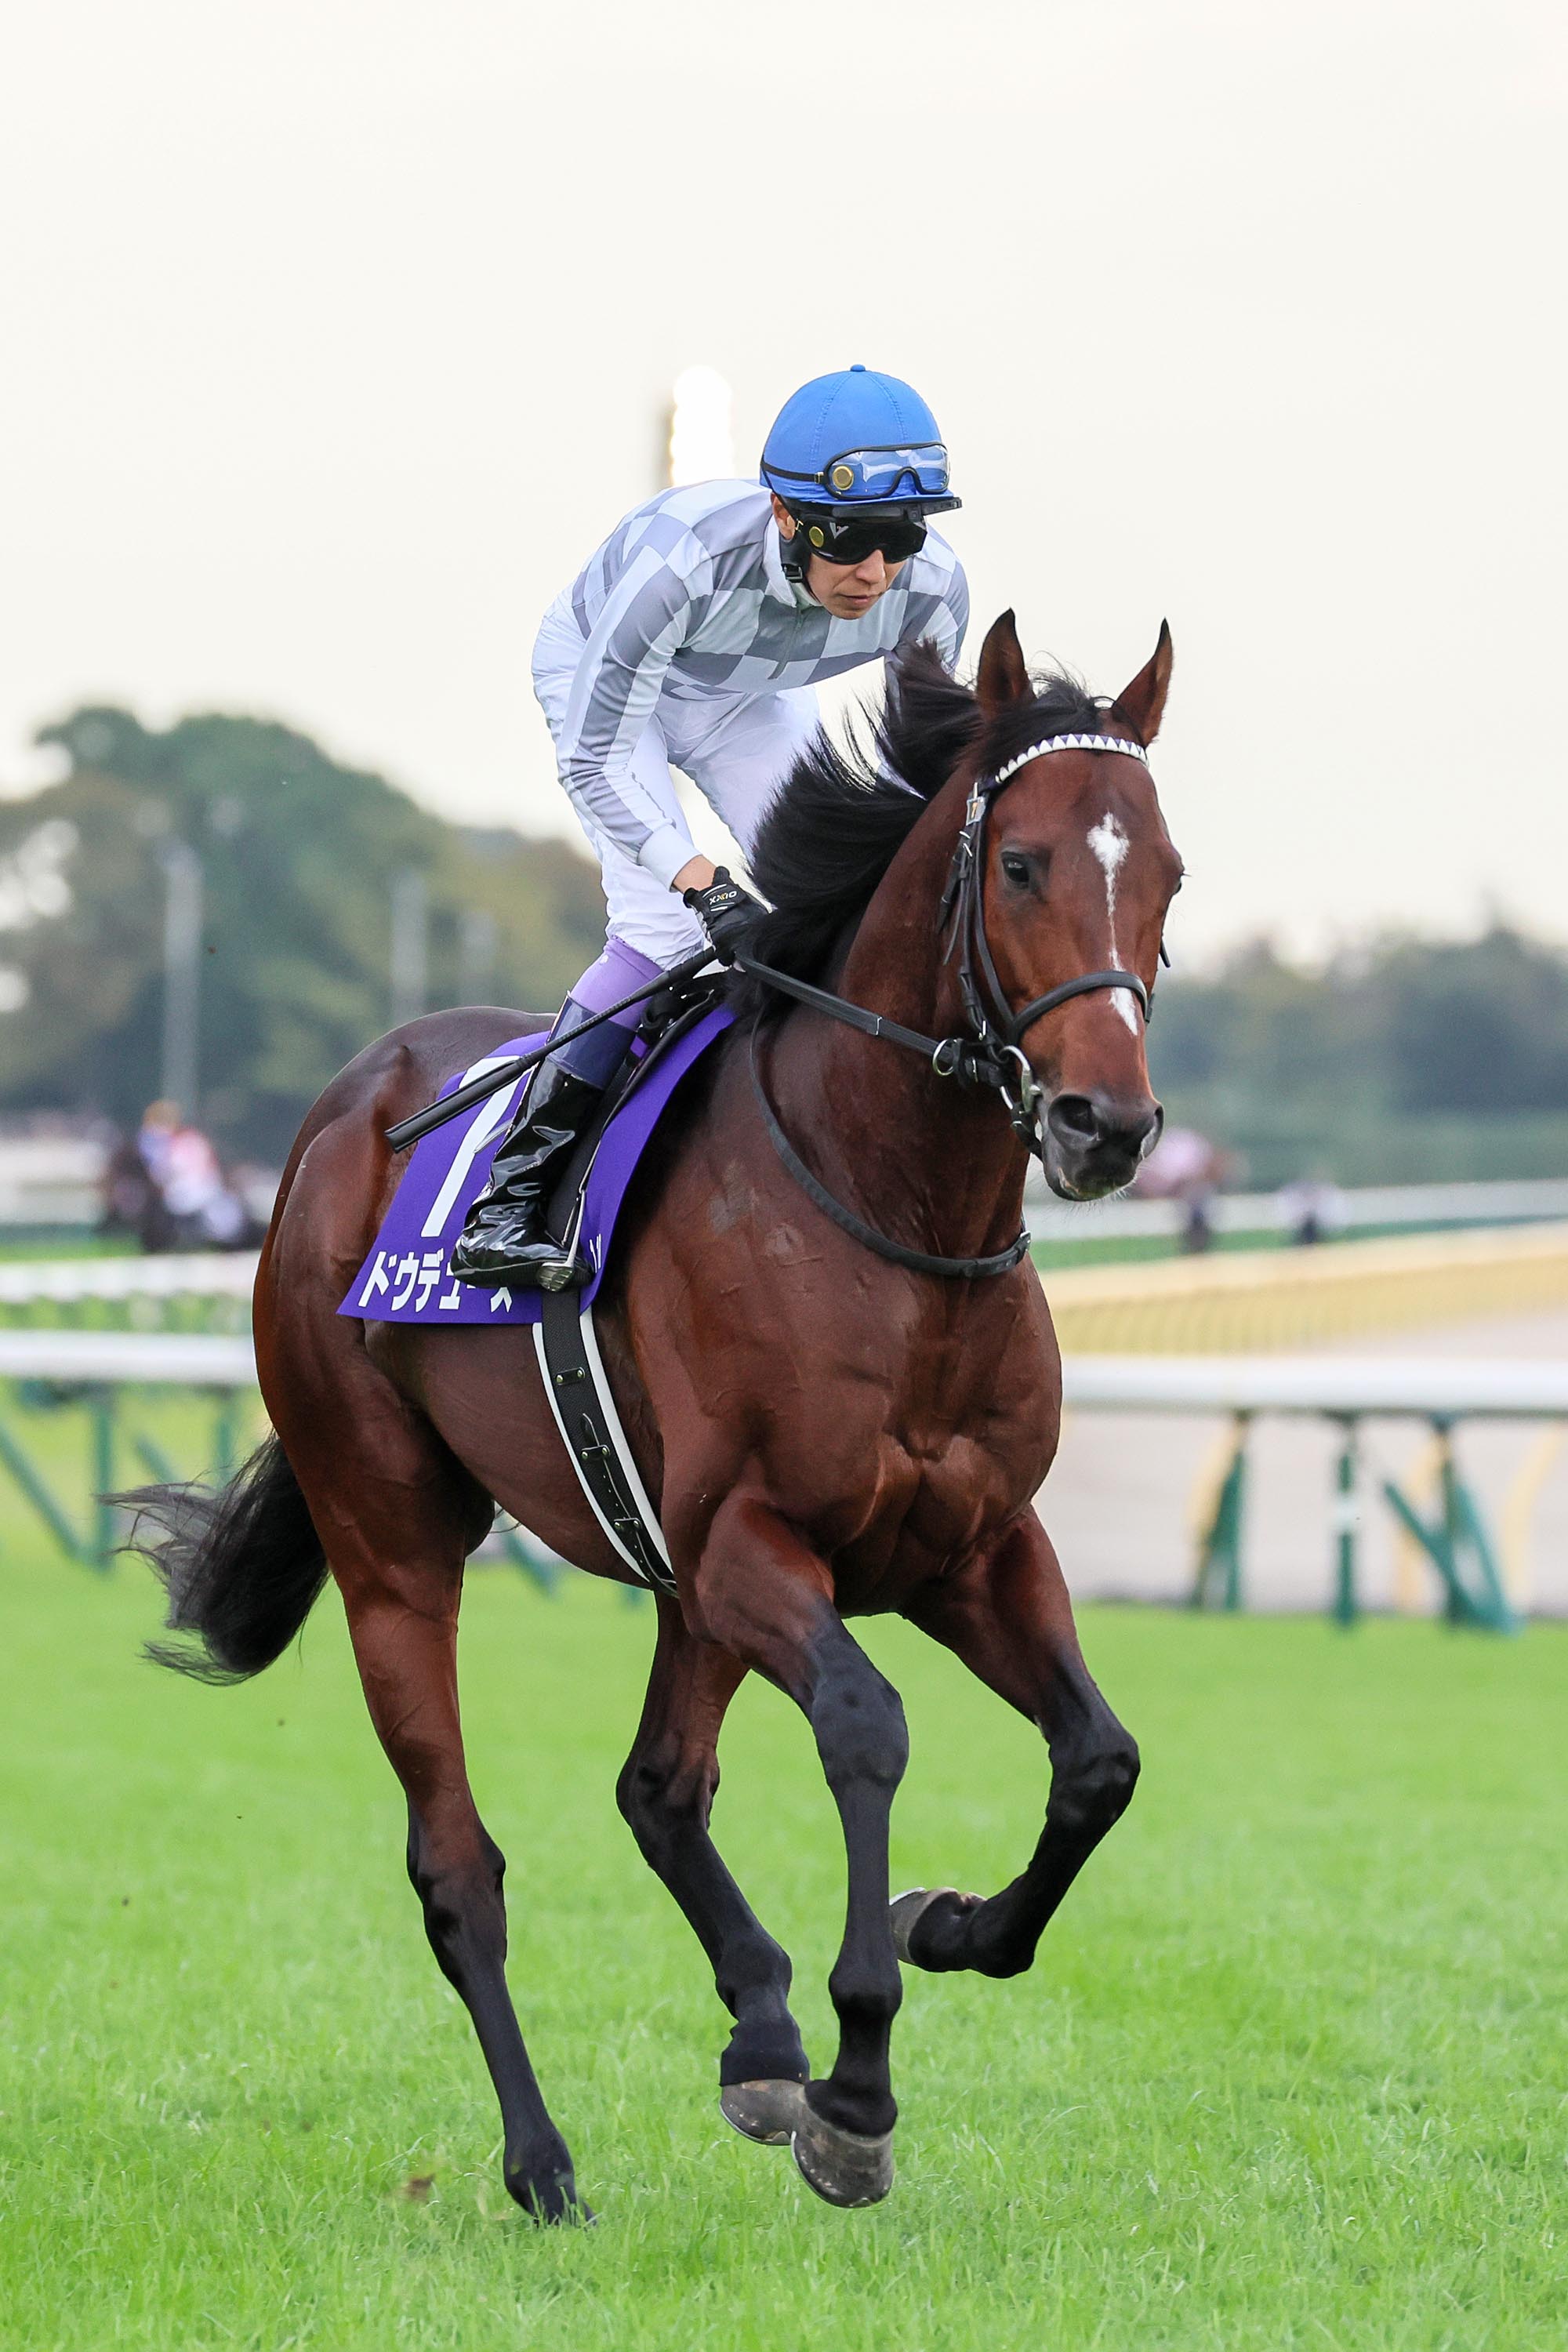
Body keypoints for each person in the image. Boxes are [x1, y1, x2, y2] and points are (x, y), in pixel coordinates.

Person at [450, 365, 969, 1288]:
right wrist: (704, 883)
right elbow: (595, 761)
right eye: (850, 538)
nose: (874, 572)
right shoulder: (682, 564)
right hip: (608, 683)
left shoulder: (930, 592)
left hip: (745, 693)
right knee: (662, 924)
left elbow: (913, 775)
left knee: (847, 900)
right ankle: (509, 1200)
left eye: (900, 539)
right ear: (785, 515)